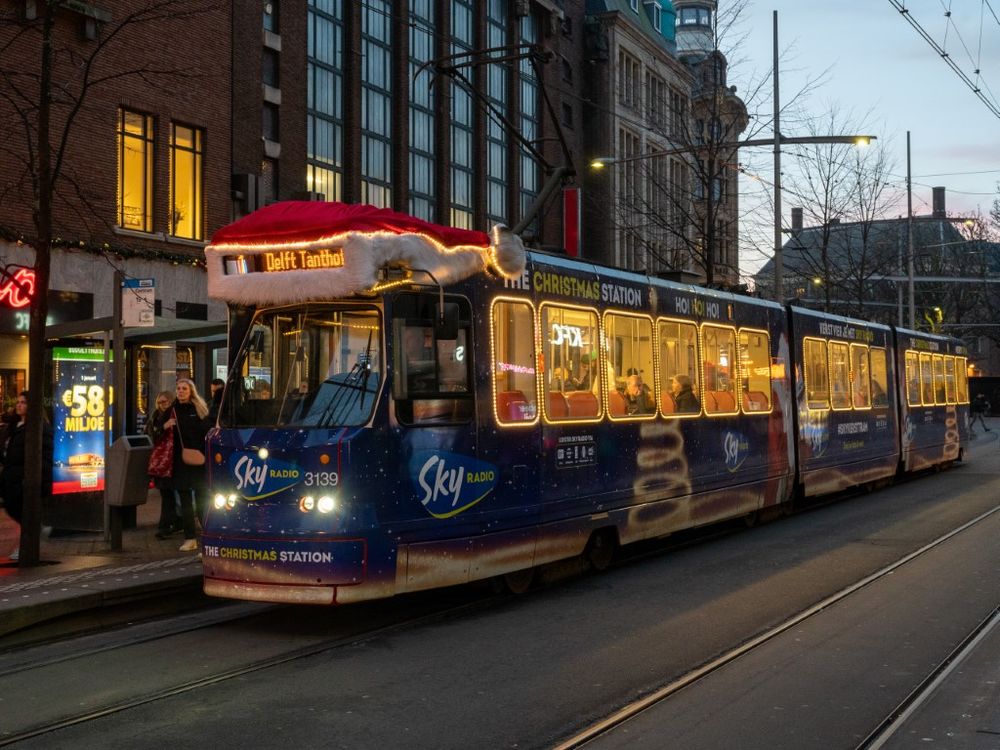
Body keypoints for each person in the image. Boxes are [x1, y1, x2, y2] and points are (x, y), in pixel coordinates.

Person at [2, 392, 53, 562]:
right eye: (18, 402)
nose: (19, 405)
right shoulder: (14, 425)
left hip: (23, 477)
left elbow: (44, 456)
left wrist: (36, 478)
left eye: (23, 402)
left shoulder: (38, 427)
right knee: (11, 507)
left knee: (21, 509)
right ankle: (37, 531)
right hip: (11, 476)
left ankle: (28, 544)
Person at [164, 378, 210, 552]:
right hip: (180, 461)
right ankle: (190, 538)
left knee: (202, 500)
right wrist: (165, 425)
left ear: (191, 391)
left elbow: (207, 431)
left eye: (184, 388)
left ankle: (207, 537)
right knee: (185, 501)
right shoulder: (172, 410)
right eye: (178, 388)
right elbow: (156, 428)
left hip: (198, 460)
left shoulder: (199, 409)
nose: (181, 391)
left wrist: (203, 452)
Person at [146, 390, 181, 539]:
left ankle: (167, 525)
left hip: (172, 461)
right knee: (167, 495)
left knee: (170, 495)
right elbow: (151, 436)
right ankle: (172, 523)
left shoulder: (175, 415)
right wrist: (163, 427)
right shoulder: (155, 417)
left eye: (165, 402)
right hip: (160, 463)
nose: (162, 405)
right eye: (159, 402)